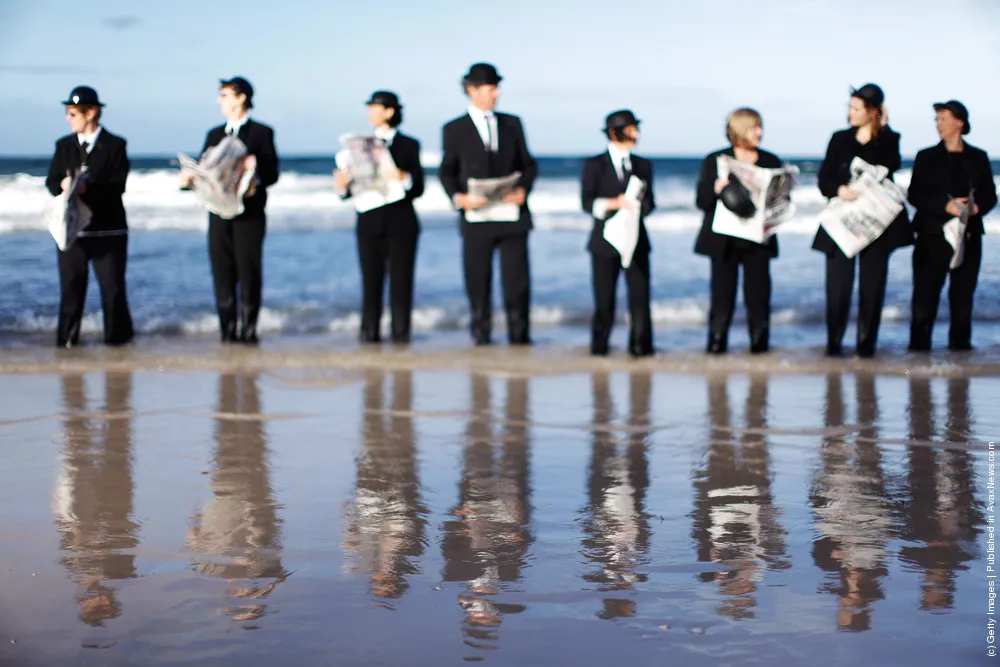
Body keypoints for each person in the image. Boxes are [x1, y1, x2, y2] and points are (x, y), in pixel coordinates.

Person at [439, 63, 538, 346]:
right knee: (478, 284)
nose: (495, 94)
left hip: (512, 217)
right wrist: (459, 198)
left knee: (517, 285)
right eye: (489, 88)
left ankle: (520, 341)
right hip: (476, 219)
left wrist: (523, 190)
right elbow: (446, 171)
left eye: (496, 88)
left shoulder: (512, 123)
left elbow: (529, 165)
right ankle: (481, 342)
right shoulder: (454, 129)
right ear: (472, 90)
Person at [811, 84, 912, 358]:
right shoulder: (839, 139)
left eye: (857, 108)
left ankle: (866, 349)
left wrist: (883, 130)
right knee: (838, 289)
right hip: (843, 221)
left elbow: (890, 166)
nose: (851, 113)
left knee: (872, 288)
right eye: (850, 107)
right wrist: (839, 189)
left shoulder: (889, 139)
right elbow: (824, 179)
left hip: (876, 224)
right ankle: (834, 346)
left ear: (873, 112)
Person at [180, 76, 280, 344]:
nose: (219, 101)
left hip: (249, 215)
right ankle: (227, 333)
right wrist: (189, 180)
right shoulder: (214, 134)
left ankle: (249, 332)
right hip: (217, 213)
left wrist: (253, 171)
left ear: (241, 98)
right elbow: (206, 171)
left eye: (225, 95)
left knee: (248, 271)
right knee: (222, 271)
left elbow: (272, 175)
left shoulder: (261, 133)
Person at [45, 86, 134, 348]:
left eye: (72, 113)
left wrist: (88, 187)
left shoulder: (116, 145)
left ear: (91, 112)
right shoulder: (63, 146)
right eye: (67, 113)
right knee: (71, 290)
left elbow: (119, 184)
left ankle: (118, 347)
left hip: (108, 231)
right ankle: (67, 345)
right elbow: (51, 182)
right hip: (73, 232)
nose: (68, 118)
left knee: (112, 291)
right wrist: (63, 185)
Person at [334, 91, 425, 344]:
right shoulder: (358, 147)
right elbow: (347, 192)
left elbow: (419, 188)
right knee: (370, 283)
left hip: (402, 223)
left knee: (401, 284)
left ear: (389, 111)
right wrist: (342, 185)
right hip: (369, 222)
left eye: (375, 107)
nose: (369, 113)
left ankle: (401, 336)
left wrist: (403, 177)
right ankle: (369, 336)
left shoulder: (409, 145)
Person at [907, 100, 997, 351]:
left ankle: (960, 358)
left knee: (962, 298)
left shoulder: (978, 157)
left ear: (960, 122)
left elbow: (991, 195)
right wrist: (944, 206)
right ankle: (918, 355)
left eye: (944, 118)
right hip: (932, 235)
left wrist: (977, 208)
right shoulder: (926, 156)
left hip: (967, 235)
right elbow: (914, 195)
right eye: (937, 119)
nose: (939, 124)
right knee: (925, 298)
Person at [694, 108, 783, 354]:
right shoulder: (716, 160)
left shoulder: (770, 161)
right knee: (722, 297)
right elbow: (701, 203)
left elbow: (781, 203)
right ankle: (716, 349)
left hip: (758, 241)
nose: (760, 132)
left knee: (759, 297)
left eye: (760, 127)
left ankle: (759, 349)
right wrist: (716, 189)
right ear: (741, 129)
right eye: (755, 127)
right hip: (724, 241)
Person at [580, 110, 656, 357]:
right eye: (631, 128)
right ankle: (599, 349)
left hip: (636, 240)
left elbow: (650, 203)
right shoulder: (594, 165)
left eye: (636, 128)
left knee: (640, 298)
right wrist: (614, 203)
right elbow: (587, 203)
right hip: (603, 242)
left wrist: (638, 206)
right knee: (604, 300)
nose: (636, 134)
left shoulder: (643, 165)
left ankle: (641, 349)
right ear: (614, 132)